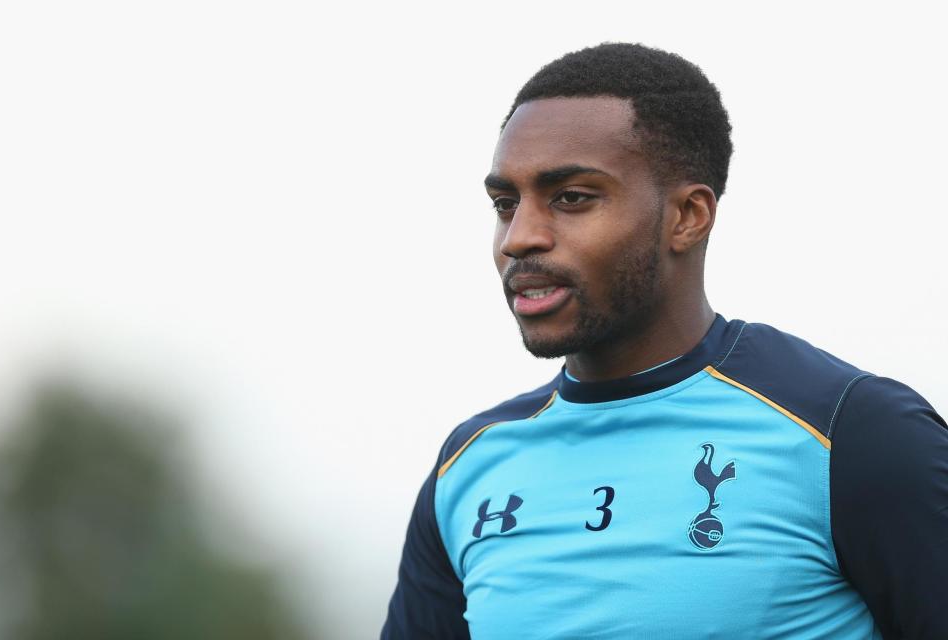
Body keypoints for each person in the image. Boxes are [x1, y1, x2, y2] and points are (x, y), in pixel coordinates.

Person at [381, 43, 948, 639]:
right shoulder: (469, 467)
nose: (519, 238)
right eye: (505, 204)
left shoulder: (852, 431)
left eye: (571, 198)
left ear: (687, 216)